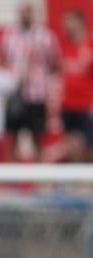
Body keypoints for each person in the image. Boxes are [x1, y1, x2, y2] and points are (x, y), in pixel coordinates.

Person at [0, 3, 61, 159]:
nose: (25, 16)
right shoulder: (10, 35)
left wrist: (39, 75)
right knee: (12, 138)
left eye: (28, 13)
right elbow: (1, 59)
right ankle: (11, 179)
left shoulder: (46, 36)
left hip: (36, 94)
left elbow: (55, 63)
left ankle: (40, 180)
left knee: (38, 138)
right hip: (15, 93)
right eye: (22, 13)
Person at [59, 10, 93, 156]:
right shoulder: (65, 47)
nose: (66, 26)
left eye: (69, 22)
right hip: (68, 106)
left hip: (86, 106)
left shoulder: (90, 47)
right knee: (72, 149)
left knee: (89, 148)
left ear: (80, 23)